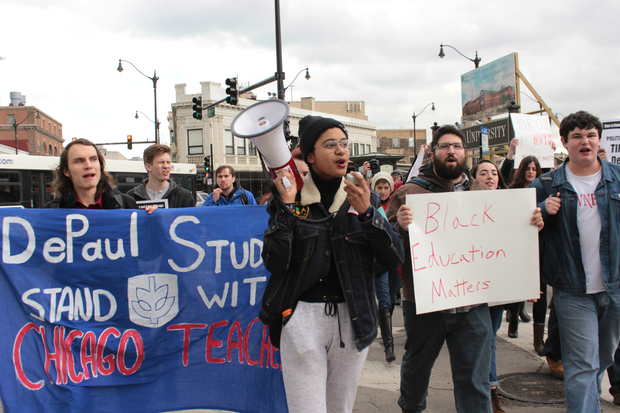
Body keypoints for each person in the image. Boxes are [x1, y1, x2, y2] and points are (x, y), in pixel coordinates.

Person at [387, 125, 543, 413]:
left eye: (457, 146)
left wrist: (529, 224)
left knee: (475, 380)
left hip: (472, 306)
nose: (451, 151)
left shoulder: (481, 193)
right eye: (445, 146)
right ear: (433, 153)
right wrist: (400, 226)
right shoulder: (409, 192)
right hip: (424, 304)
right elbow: (385, 246)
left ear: (464, 154)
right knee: (416, 372)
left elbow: (504, 237)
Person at [259, 115, 404, 413]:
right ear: (310, 156)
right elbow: (275, 262)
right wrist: (286, 209)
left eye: (344, 144)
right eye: (330, 145)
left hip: (352, 319)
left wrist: (368, 215)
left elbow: (393, 257)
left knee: (340, 408)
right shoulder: (290, 198)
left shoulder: (366, 198)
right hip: (301, 319)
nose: (341, 151)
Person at [532, 110, 620, 413]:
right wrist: (541, 210)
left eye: (591, 135)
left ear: (599, 139)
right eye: (577, 136)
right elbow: (523, 229)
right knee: (582, 364)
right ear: (565, 143)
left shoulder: (617, 179)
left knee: (604, 358)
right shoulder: (546, 184)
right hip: (572, 291)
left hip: (615, 287)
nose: (585, 141)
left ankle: (589, 400)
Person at [471, 159, 509, 413]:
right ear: (473, 178)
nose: (490, 176)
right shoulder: (462, 205)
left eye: (494, 172)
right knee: (482, 340)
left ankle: (487, 389)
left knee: (489, 338)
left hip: (499, 285)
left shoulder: (511, 205)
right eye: (483, 172)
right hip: (471, 285)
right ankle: (489, 391)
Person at [45, 138, 140, 210]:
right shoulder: (51, 211)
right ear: (66, 171)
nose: (88, 165)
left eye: (93, 159)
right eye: (79, 161)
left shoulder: (126, 204)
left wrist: (151, 218)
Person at [369, 171, 400, 362]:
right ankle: (388, 345)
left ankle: (387, 338)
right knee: (381, 301)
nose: (382, 191)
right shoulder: (365, 205)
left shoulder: (395, 206)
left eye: (385, 187)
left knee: (388, 300)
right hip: (373, 262)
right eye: (378, 187)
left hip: (390, 263)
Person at [127, 144, 195, 208]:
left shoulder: (184, 196)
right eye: (161, 162)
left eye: (168, 162)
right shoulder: (131, 197)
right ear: (148, 167)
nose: (166, 166)